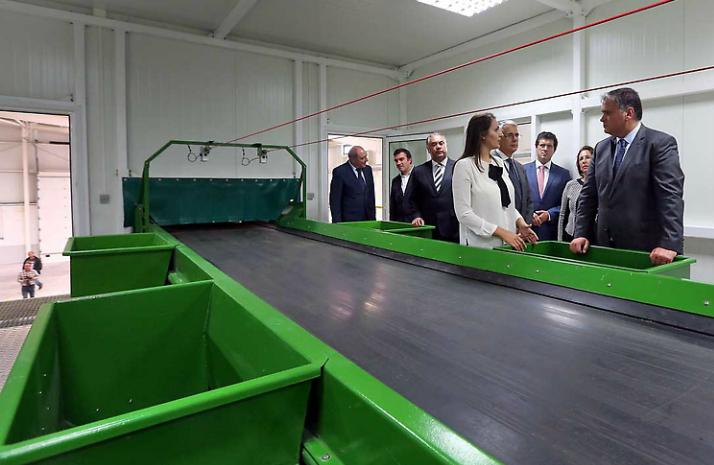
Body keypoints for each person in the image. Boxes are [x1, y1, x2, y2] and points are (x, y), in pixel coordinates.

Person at [571, 87, 684, 264]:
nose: (602, 119)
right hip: (604, 247)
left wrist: (669, 244)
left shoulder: (659, 144)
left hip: (645, 251)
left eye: (607, 113)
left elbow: (670, 197)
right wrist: (581, 233)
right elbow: (588, 196)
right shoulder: (601, 148)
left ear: (628, 113)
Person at [452, 113, 538, 250]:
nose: (501, 134)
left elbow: (506, 203)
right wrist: (502, 232)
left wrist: (520, 222)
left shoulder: (499, 163)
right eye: (496, 129)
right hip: (480, 246)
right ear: (483, 135)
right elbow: (464, 214)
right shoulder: (464, 166)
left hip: (508, 244)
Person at [406, 133, 459, 242]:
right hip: (427, 228)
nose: (438, 147)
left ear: (446, 146)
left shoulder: (458, 167)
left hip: (454, 228)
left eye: (441, 143)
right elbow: (411, 199)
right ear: (428, 149)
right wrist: (416, 216)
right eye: (434, 144)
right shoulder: (418, 171)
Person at [524, 132, 571, 241]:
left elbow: (566, 204)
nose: (545, 149)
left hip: (551, 232)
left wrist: (549, 214)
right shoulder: (523, 170)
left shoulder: (563, 174)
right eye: (542, 145)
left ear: (554, 149)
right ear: (536, 147)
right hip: (526, 230)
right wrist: (529, 214)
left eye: (549, 146)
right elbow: (517, 199)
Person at [492, 120, 533, 221]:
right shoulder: (490, 163)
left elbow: (528, 199)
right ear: (499, 137)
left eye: (517, 135)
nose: (514, 139)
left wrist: (526, 223)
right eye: (510, 135)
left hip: (522, 226)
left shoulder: (520, 167)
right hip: (500, 224)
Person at [329, 145, 376, 223]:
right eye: (362, 158)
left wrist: (373, 219)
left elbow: (371, 195)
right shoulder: (340, 172)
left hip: (368, 219)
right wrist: (337, 223)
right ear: (352, 159)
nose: (366, 160)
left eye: (366, 157)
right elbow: (335, 200)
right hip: (349, 220)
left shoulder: (368, 170)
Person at [557, 146, 593, 242]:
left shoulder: (600, 185)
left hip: (592, 237)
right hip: (570, 235)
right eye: (581, 159)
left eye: (587, 157)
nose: (584, 161)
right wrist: (560, 239)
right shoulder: (571, 185)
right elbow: (562, 214)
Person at [389, 148, 415, 222]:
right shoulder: (395, 181)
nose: (398, 163)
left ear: (410, 160)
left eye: (401, 159)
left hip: (418, 224)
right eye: (396, 161)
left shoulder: (421, 176)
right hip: (400, 224)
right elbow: (393, 207)